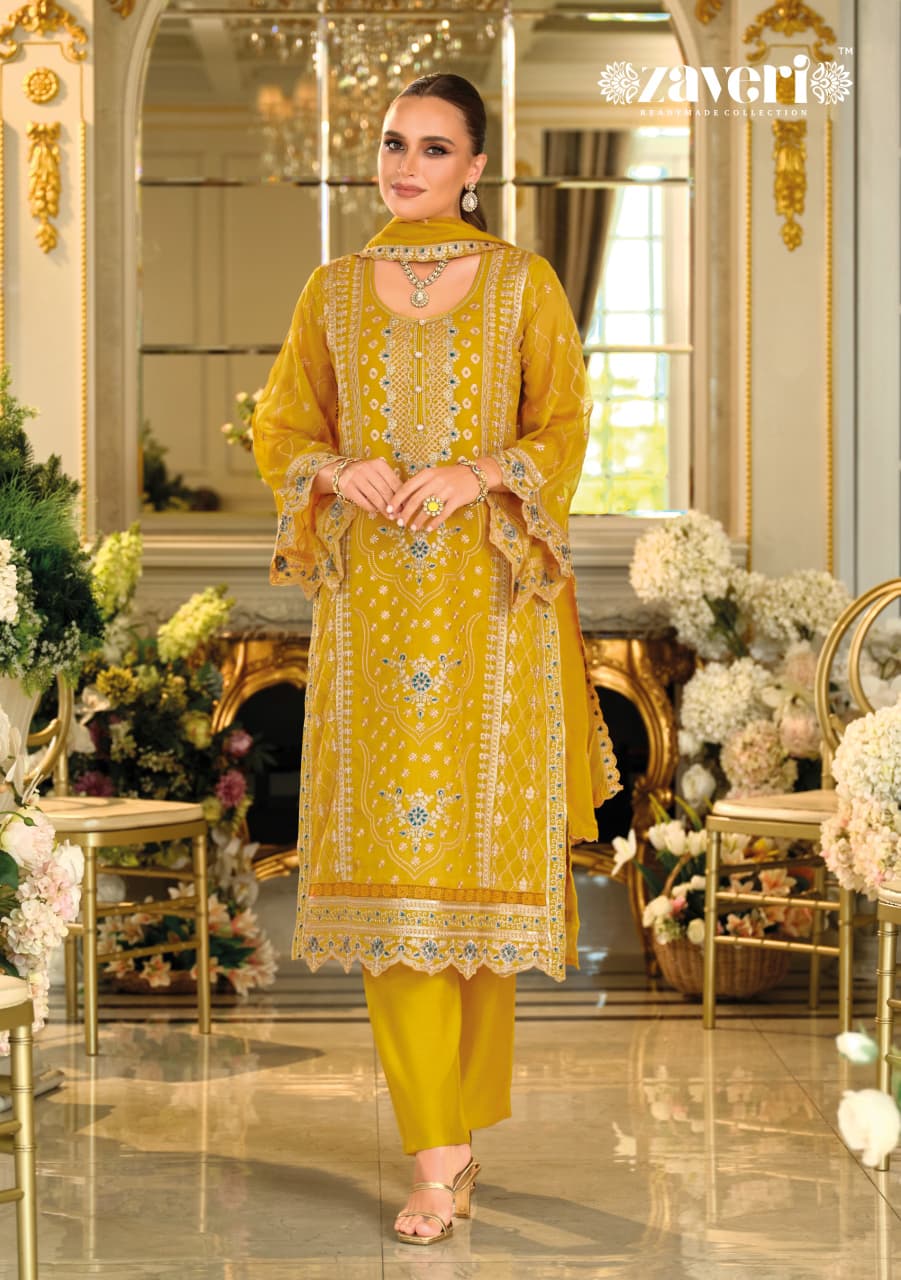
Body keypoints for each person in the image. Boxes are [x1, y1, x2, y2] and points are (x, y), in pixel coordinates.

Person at [253, 72, 620, 1247]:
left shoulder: (523, 283)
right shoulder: (331, 292)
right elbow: (281, 426)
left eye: (430, 147)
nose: (403, 164)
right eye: (392, 143)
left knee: (476, 880)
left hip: (491, 616)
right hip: (371, 617)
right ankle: (434, 1152)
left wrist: (477, 472)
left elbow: (563, 424)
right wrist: (335, 468)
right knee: (387, 880)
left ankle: (455, 1127)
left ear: (474, 167)